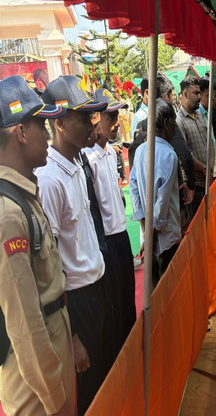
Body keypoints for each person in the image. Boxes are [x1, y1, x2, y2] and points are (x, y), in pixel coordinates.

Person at [0, 75, 74, 416]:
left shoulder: (24, 194)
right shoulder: (8, 214)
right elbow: (25, 326)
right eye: (40, 125)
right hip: (37, 390)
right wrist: (54, 395)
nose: (47, 135)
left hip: (52, 353)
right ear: (20, 132)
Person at [35, 75, 110, 415]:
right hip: (76, 301)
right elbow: (49, 265)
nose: (91, 124)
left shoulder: (78, 163)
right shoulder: (49, 180)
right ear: (61, 122)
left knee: (105, 381)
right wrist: (74, 334)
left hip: (96, 288)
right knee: (88, 392)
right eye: (84, 117)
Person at [85, 89, 136, 353]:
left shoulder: (110, 154)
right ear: (95, 118)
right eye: (110, 116)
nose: (116, 122)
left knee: (128, 298)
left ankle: (131, 349)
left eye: (117, 115)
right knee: (114, 303)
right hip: (106, 242)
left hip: (122, 234)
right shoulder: (88, 159)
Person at [130, 99, 181, 287]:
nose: (176, 127)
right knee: (169, 288)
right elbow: (162, 203)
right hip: (166, 238)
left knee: (154, 291)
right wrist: (150, 234)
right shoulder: (169, 155)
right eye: (174, 122)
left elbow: (134, 190)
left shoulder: (142, 150)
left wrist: (144, 228)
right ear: (166, 123)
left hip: (152, 236)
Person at [176, 77, 216, 215]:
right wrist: (203, 167)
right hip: (195, 185)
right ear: (185, 94)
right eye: (196, 93)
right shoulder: (179, 121)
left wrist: (211, 163)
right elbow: (185, 153)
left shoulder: (199, 115)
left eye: (200, 93)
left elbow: (209, 141)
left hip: (208, 179)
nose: (199, 97)